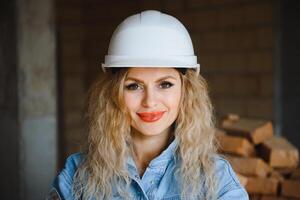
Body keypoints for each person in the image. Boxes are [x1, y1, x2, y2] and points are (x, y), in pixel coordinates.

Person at [47, 10, 249, 200]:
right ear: (113, 92)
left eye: (165, 84)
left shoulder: (217, 179)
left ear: (185, 91)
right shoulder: (77, 174)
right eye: (134, 86)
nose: (150, 101)